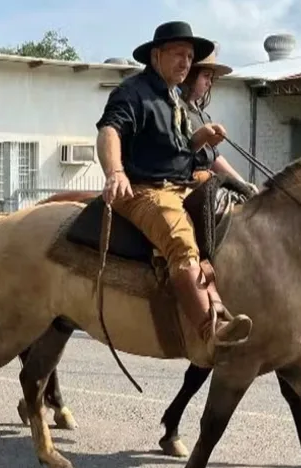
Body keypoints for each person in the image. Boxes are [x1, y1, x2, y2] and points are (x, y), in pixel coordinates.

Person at [96, 21, 252, 355]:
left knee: (229, 204)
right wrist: (115, 172)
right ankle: (211, 332)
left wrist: (200, 139)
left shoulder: (174, 98)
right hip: (143, 190)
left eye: (190, 56)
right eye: (179, 54)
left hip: (180, 184)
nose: (186, 62)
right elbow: (109, 131)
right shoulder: (132, 92)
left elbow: (174, 153)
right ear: (156, 55)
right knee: (181, 240)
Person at [178, 47, 257, 192]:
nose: (209, 83)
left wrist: (242, 184)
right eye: (206, 76)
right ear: (190, 75)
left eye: (211, 78)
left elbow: (215, 158)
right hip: (186, 184)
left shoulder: (203, 116)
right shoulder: (176, 110)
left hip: (207, 180)